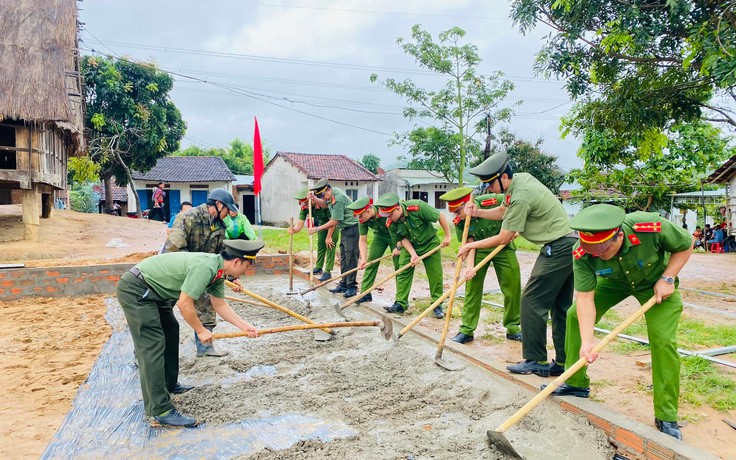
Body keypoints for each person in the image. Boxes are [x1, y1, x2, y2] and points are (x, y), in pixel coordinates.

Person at [546, 204, 692, 440]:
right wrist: (587, 341)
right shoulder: (582, 253)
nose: (596, 255)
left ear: (619, 236)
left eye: (602, 250)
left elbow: (686, 245)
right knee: (574, 315)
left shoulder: (649, 227)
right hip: (614, 282)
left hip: (656, 282)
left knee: (663, 340)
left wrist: (669, 276)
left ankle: (666, 415)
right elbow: (584, 298)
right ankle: (576, 383)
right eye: (591, 250)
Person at [117, 239, 264, 427]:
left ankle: (169, 384)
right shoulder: (206, 268)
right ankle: (160, 410)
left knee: (171, 330)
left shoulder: (218, 273)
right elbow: (184, 304)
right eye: (247, 265)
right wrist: (201, 330)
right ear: (237, 262)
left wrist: (245, 326)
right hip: (138, 290)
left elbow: (220, 305)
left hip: (157, 293)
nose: (246, 271)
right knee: (152, 345)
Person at [458, 151, 576, 378]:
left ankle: (536, 360)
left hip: (558, 248)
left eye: (490, 184)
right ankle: (562, 362)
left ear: (503, 177)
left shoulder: (521, 195)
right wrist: (479, 211)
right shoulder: (520, 181)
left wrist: (471, 246)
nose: (489, 190)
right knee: (559, 307)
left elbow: (504, 237)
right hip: (568, 244)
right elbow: (504, 212)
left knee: (531, 301)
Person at [162, 188, 240, 358]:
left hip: (202, 273)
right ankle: (144, 355)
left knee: (207, 306)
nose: (228, 214)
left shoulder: (220, 225)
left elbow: (221, 257)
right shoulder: (188, 217)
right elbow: (174, 248)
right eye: (227, 209)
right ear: (218, 205)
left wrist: (233, 277)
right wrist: (196, 272)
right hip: (175, 271)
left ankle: (205, 348)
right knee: (161, 312)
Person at [439, 187, 522, 343]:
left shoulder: (492, 201)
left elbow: (513, 209)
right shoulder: (460, 221)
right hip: (478, 249)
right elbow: (470, 243)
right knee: (472, 287)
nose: (456, 216)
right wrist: (469, 267)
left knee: (512, 286)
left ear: (466, 204)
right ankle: (466, 330)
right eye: (454, 213)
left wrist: (514, 230)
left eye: (458, 211)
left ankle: (513, 327)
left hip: (503, 246)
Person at [376, 192, 451, 318]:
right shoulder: (390, 223)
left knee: (435, 275)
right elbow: (402, 239)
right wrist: (413, 255)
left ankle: (437, 304)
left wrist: (448, 235)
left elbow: (440, 216)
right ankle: (400, 304)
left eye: (390, 214)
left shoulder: (417, 207)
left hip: (429, 243)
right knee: (403, 273)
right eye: (386, 215)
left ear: (398, 208)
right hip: (410, 245)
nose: (388, 218)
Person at [308, 178, 360, 297]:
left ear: (328, 190)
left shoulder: (338, 198)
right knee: (344, 258)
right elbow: (325, 205)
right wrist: (314, 199)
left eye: (322, 195)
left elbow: (335, 220)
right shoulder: (331, 195)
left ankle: (352, 287)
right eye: (320, 196)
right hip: (345, 229)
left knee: (350, 258)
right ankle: (343, 284)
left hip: (352, 228)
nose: (323, 198)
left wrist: (317, 229)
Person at [346, 196, 401, 304]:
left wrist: (398, 247)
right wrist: (363, 259)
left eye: (361, 215)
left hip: (395, 236)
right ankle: (365, 293)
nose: (359, 218)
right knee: (371, 263)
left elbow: (400, 228)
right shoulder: (362, 220)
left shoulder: (384, 212)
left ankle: (400, 300)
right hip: (380, 236)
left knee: (398, 265)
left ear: (368, 210)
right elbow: (362, 240)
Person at [287, 187, 340, 282]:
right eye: (301, 204)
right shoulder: (305, 208)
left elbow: (333, 220)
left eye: (306, 203)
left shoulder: (324, 203)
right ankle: (318, 268)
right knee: (320, 244)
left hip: (333, 224)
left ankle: (327, 272)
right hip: (322, 224)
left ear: (311, 199)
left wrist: (328, 237)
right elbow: (299, 225)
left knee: (329, 244)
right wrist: (293, 230)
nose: (304, 206)